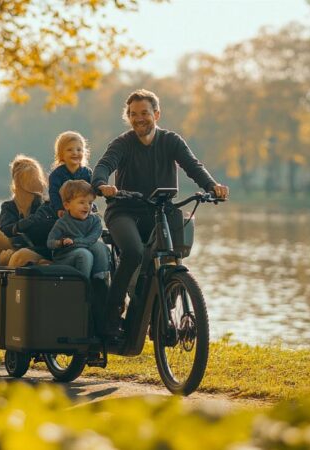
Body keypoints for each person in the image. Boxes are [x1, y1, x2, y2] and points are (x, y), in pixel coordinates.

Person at [91, 89, 229, 337]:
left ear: (156, 114)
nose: (139, 119)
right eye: (133, 114)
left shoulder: (171, 141)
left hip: (162, 210)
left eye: (144, 113)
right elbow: (104, 165)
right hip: (124, 210)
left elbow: (193, 166)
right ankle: (112, 316)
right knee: (133, 252)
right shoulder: (123, 143)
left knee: (174, 257)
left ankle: (160, 314)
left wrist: (212, 187)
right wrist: (102, 185)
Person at [0, 154, 56, 268]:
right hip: (11, 246)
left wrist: (19, 228)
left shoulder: (44, 206)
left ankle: (7, 264)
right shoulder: (8, 206)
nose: (38, 182)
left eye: (37, 178)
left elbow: (41, 234)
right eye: (31, 179)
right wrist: (22, 226)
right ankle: (10, 260)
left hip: (35, 250)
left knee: (18, 257)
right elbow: (6, 230)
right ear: (19, 182)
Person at [46, 180, 109, 280]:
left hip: (84, 246)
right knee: (84, 254)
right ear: (67, 205)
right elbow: (50, 243)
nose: (87, 206)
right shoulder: (62, 223)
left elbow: (91, 239)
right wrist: (61, 242)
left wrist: (74, 242)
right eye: (81, 202)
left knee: (100, 247)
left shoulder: (95, 221)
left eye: (90, 202)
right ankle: (83, 287)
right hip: (66, 256)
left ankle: (100, 281)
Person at [48, 131, 94, 217]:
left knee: (96, 219)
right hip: (65, 210)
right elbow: (54, 194)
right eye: (69, 150)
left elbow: (93, 191)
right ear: (61, 154)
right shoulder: (56, 175)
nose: (75, 153)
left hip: (84, 208)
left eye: (79, 150)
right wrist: (59, 208)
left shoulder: (87, 173)